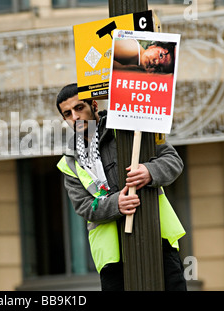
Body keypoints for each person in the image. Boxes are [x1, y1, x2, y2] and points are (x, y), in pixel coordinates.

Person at [56, 83, 187, 291]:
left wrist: (149, 171)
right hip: (111, 256)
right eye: (67, 113)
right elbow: (84, 207)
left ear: (94, 105)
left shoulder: (130, 128)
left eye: (79, 108)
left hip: (156, 235)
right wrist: (116, 204)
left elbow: (173, 161)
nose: (75, 116)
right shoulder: (69, 162)